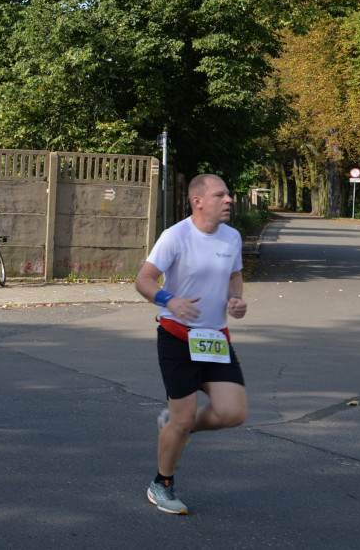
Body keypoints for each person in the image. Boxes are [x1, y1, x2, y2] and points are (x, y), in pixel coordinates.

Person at [134, 173, 248, 515]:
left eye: (228, 194)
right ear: (198, 201)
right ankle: (161, 484)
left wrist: (237, 301)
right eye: (219, 195)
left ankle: (175, 423)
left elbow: (234, 275)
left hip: (215, 339)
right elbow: (143, 279)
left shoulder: (232, 237)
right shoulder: (176, 236)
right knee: (182, 421)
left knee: (233, 413)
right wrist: (170, 300)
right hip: (177, 337)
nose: (228, 200)